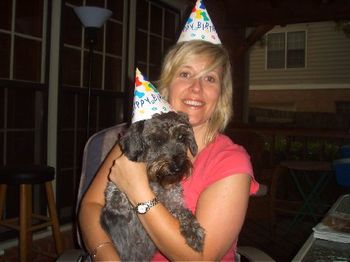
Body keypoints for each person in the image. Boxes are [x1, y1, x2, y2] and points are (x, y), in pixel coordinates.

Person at [79, 39, 259, 261]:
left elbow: (200, 258)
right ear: (167, 84)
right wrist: (105, 256)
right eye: (185, 74)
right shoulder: (136, 139)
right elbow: (90, 205)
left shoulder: (230, 161)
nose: (196, 88)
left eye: (210, 78)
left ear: (221, 95)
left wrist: (137, 189)